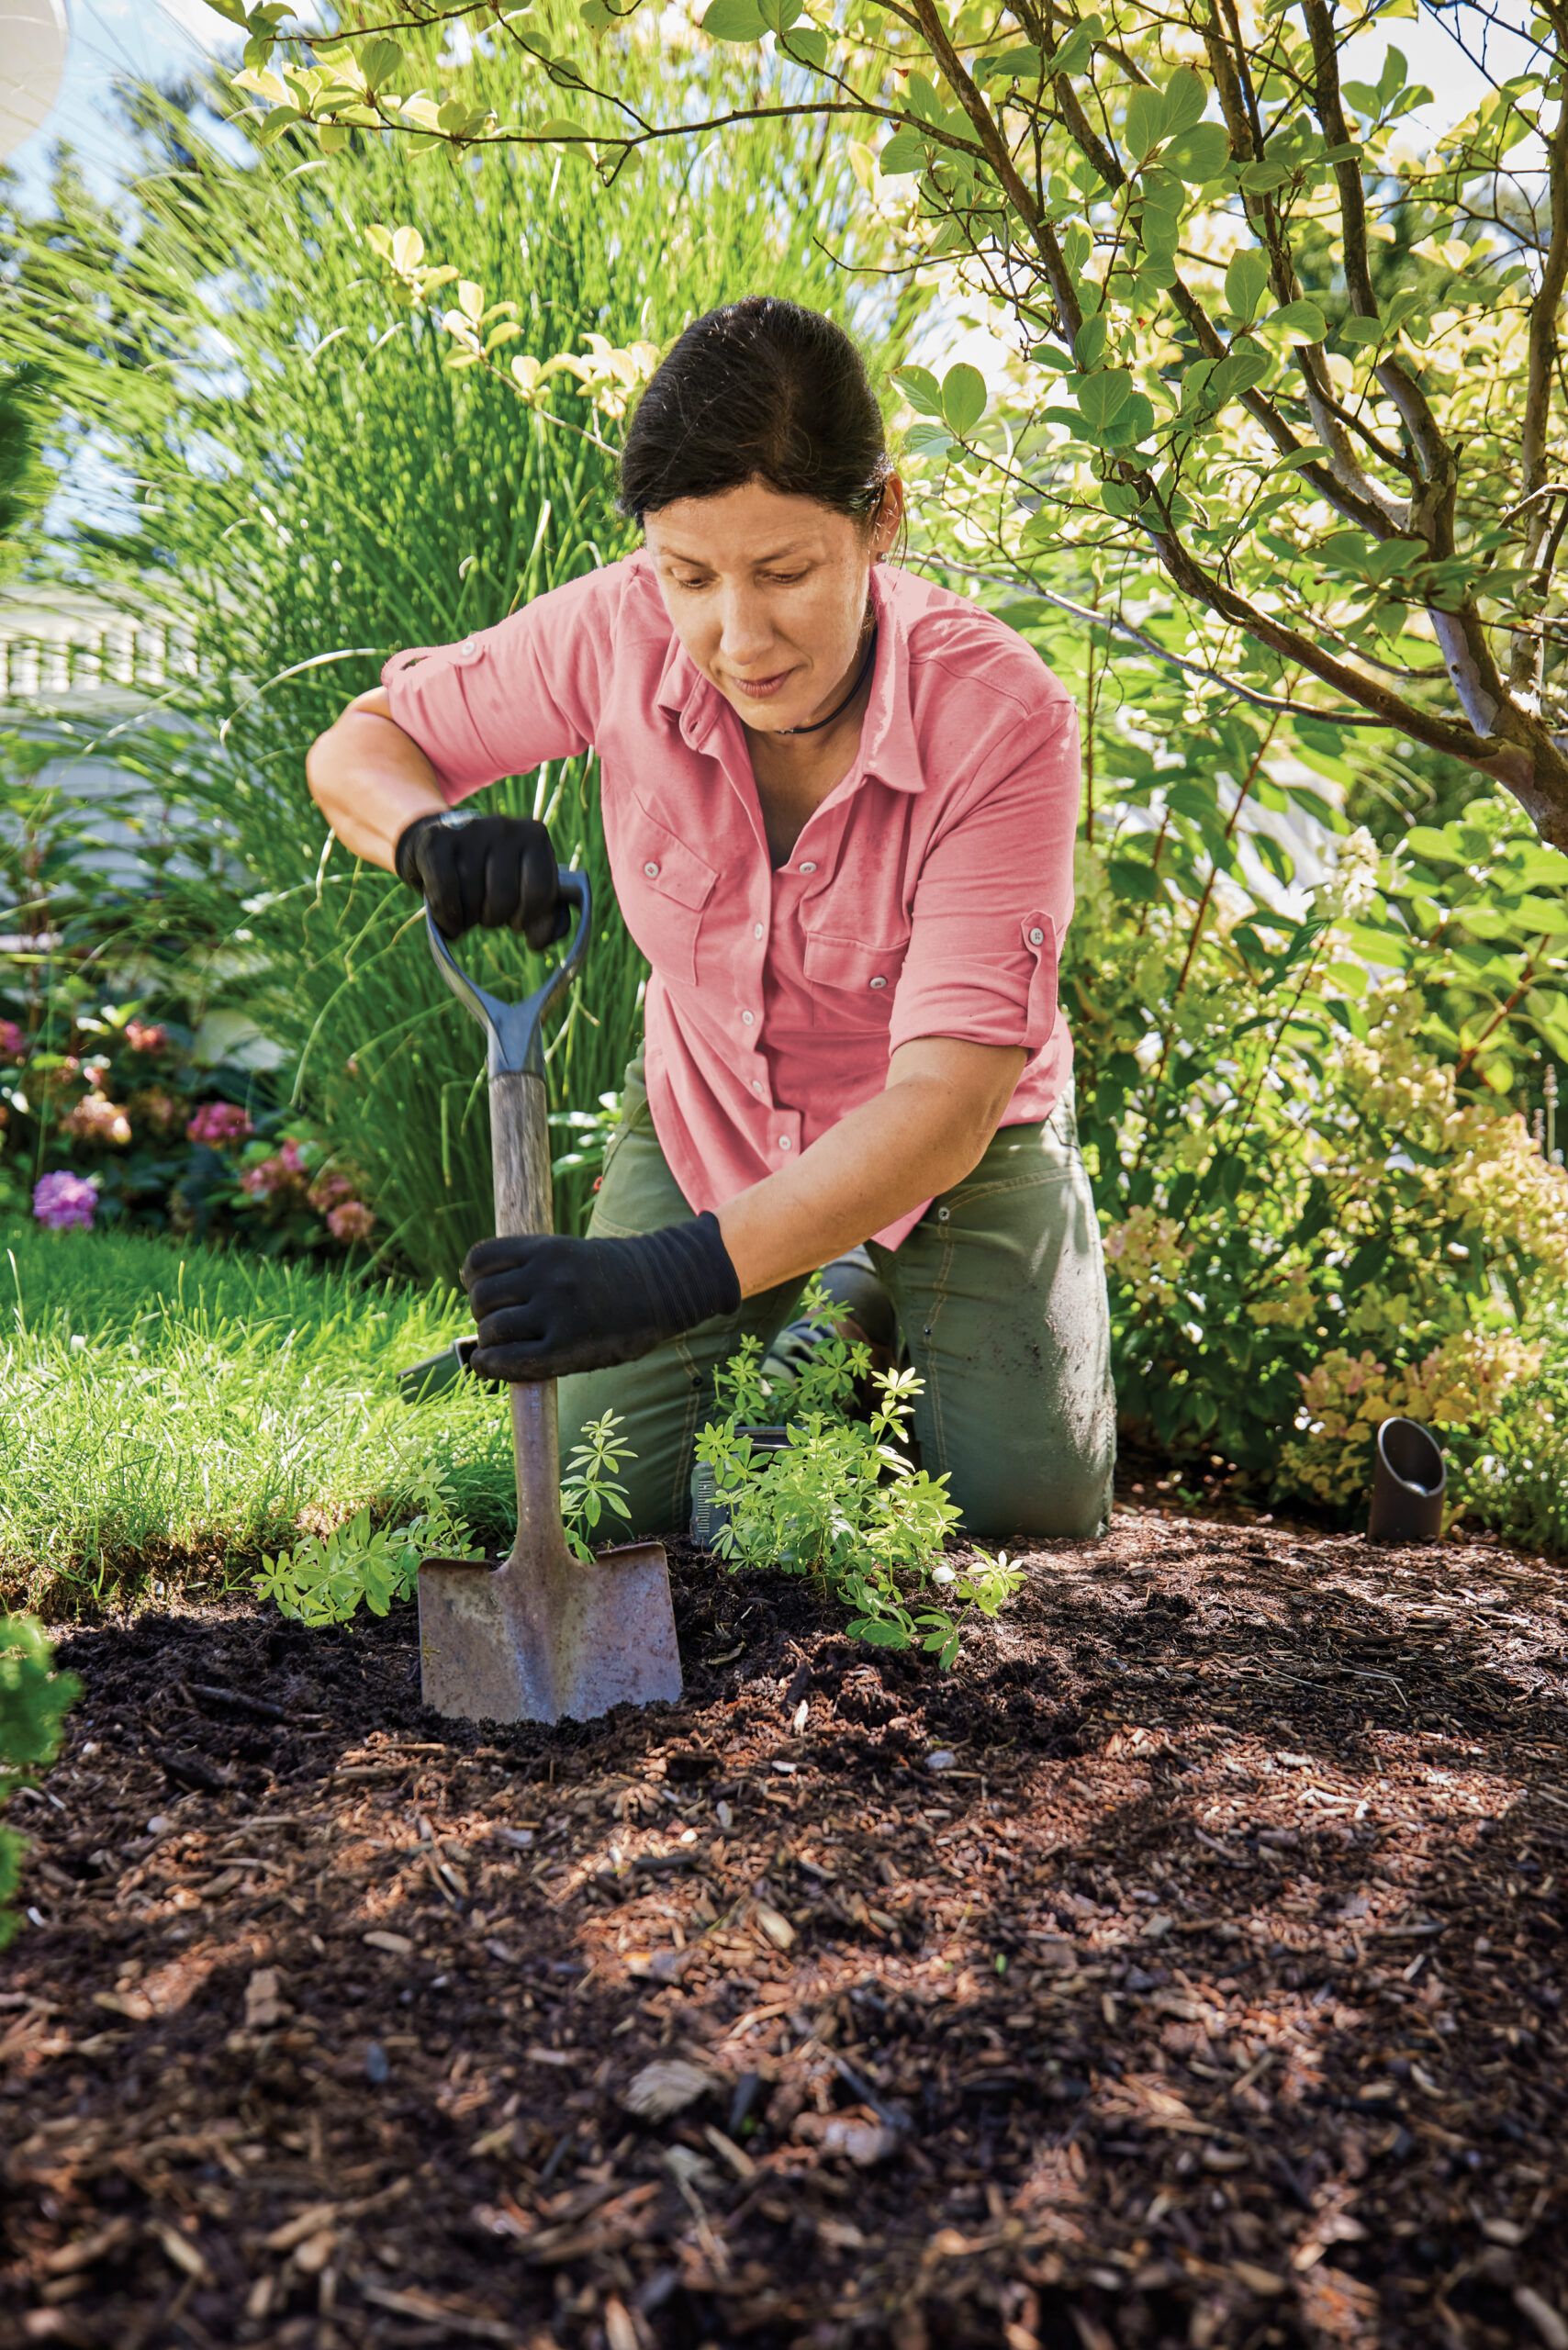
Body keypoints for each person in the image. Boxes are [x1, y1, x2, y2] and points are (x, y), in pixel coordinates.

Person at [305, 296, 1116, 1541]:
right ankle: (794, 1324)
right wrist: (433, 836)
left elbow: (946, 1103)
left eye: (784, 571)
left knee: (1020, 1515)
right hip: (711, 1118)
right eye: (689, 574)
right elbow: (368, 741)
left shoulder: (1001, 719)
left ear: (879, 518)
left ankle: (843, 1308)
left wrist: (667, 1276)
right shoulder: (621, 629)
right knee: (614, 1504)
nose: (737, 637)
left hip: (957, 1165)